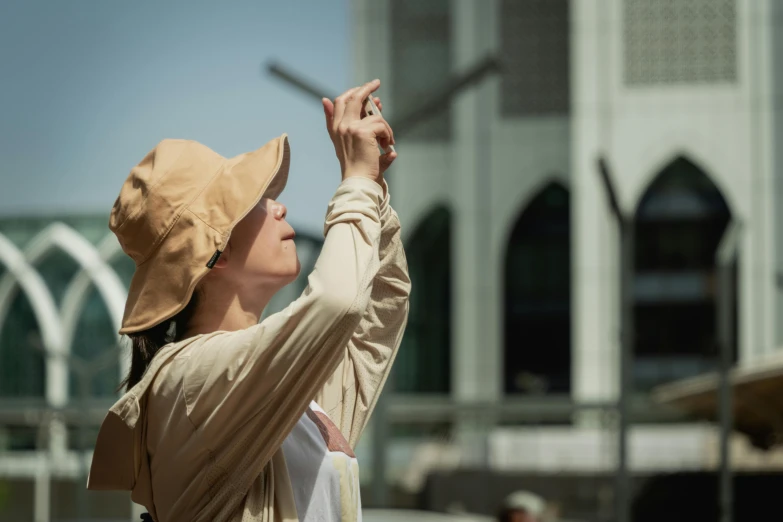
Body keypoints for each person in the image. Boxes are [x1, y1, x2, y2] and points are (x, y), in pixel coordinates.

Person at [87, 79, 410, 522]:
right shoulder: (187, 380)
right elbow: (338, 303)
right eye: (257, 201)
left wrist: (373, 191)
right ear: (211, 255)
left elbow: (378, 311)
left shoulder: (286, 385)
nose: (279, 207)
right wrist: (355, 184)